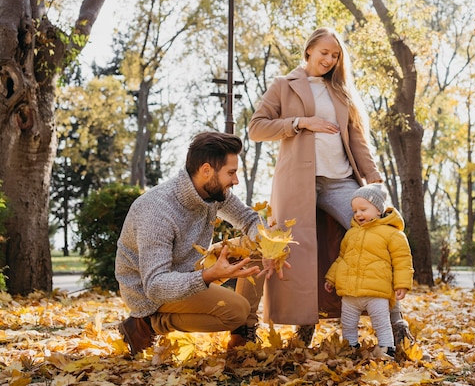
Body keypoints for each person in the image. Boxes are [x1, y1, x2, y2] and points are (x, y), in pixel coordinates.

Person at [243, 26, 413, 347]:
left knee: (375, 236)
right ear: (308, 51)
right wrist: (300, 123)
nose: (330, 59)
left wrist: (372, 176)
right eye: (324, 53)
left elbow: (357, 138)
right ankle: (304, 323)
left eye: (335, 55)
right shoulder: (283, 85)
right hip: (296, 184)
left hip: (341, 181)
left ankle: (396, 320)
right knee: (293, 253)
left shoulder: (340, 90)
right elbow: (256, 128)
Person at [115, 131, 266, 356]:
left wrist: (270, 249)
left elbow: (249, 219)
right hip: (150, 292)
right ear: (206, 170)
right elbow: (155, 285)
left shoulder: (212, 192)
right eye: (231, 173)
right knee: (237, 310)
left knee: (257, 247)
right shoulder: (158, 211)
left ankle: (243, 334)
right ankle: (146, 324)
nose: (235, 181)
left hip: (190, 269)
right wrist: (209, 276)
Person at [324, 184, 414, 358]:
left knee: (381, 323)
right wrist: (331, 278)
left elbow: (402, 260)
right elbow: (342, 258)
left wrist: (402, 284)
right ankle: (350, 347)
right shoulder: (351, 234)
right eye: (355, 210)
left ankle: (386, 348)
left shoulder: (391, 233)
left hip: (377, 293)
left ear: (378, 210)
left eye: (363, 209)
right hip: (350, 293)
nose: (358, 214)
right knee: (348, 324)